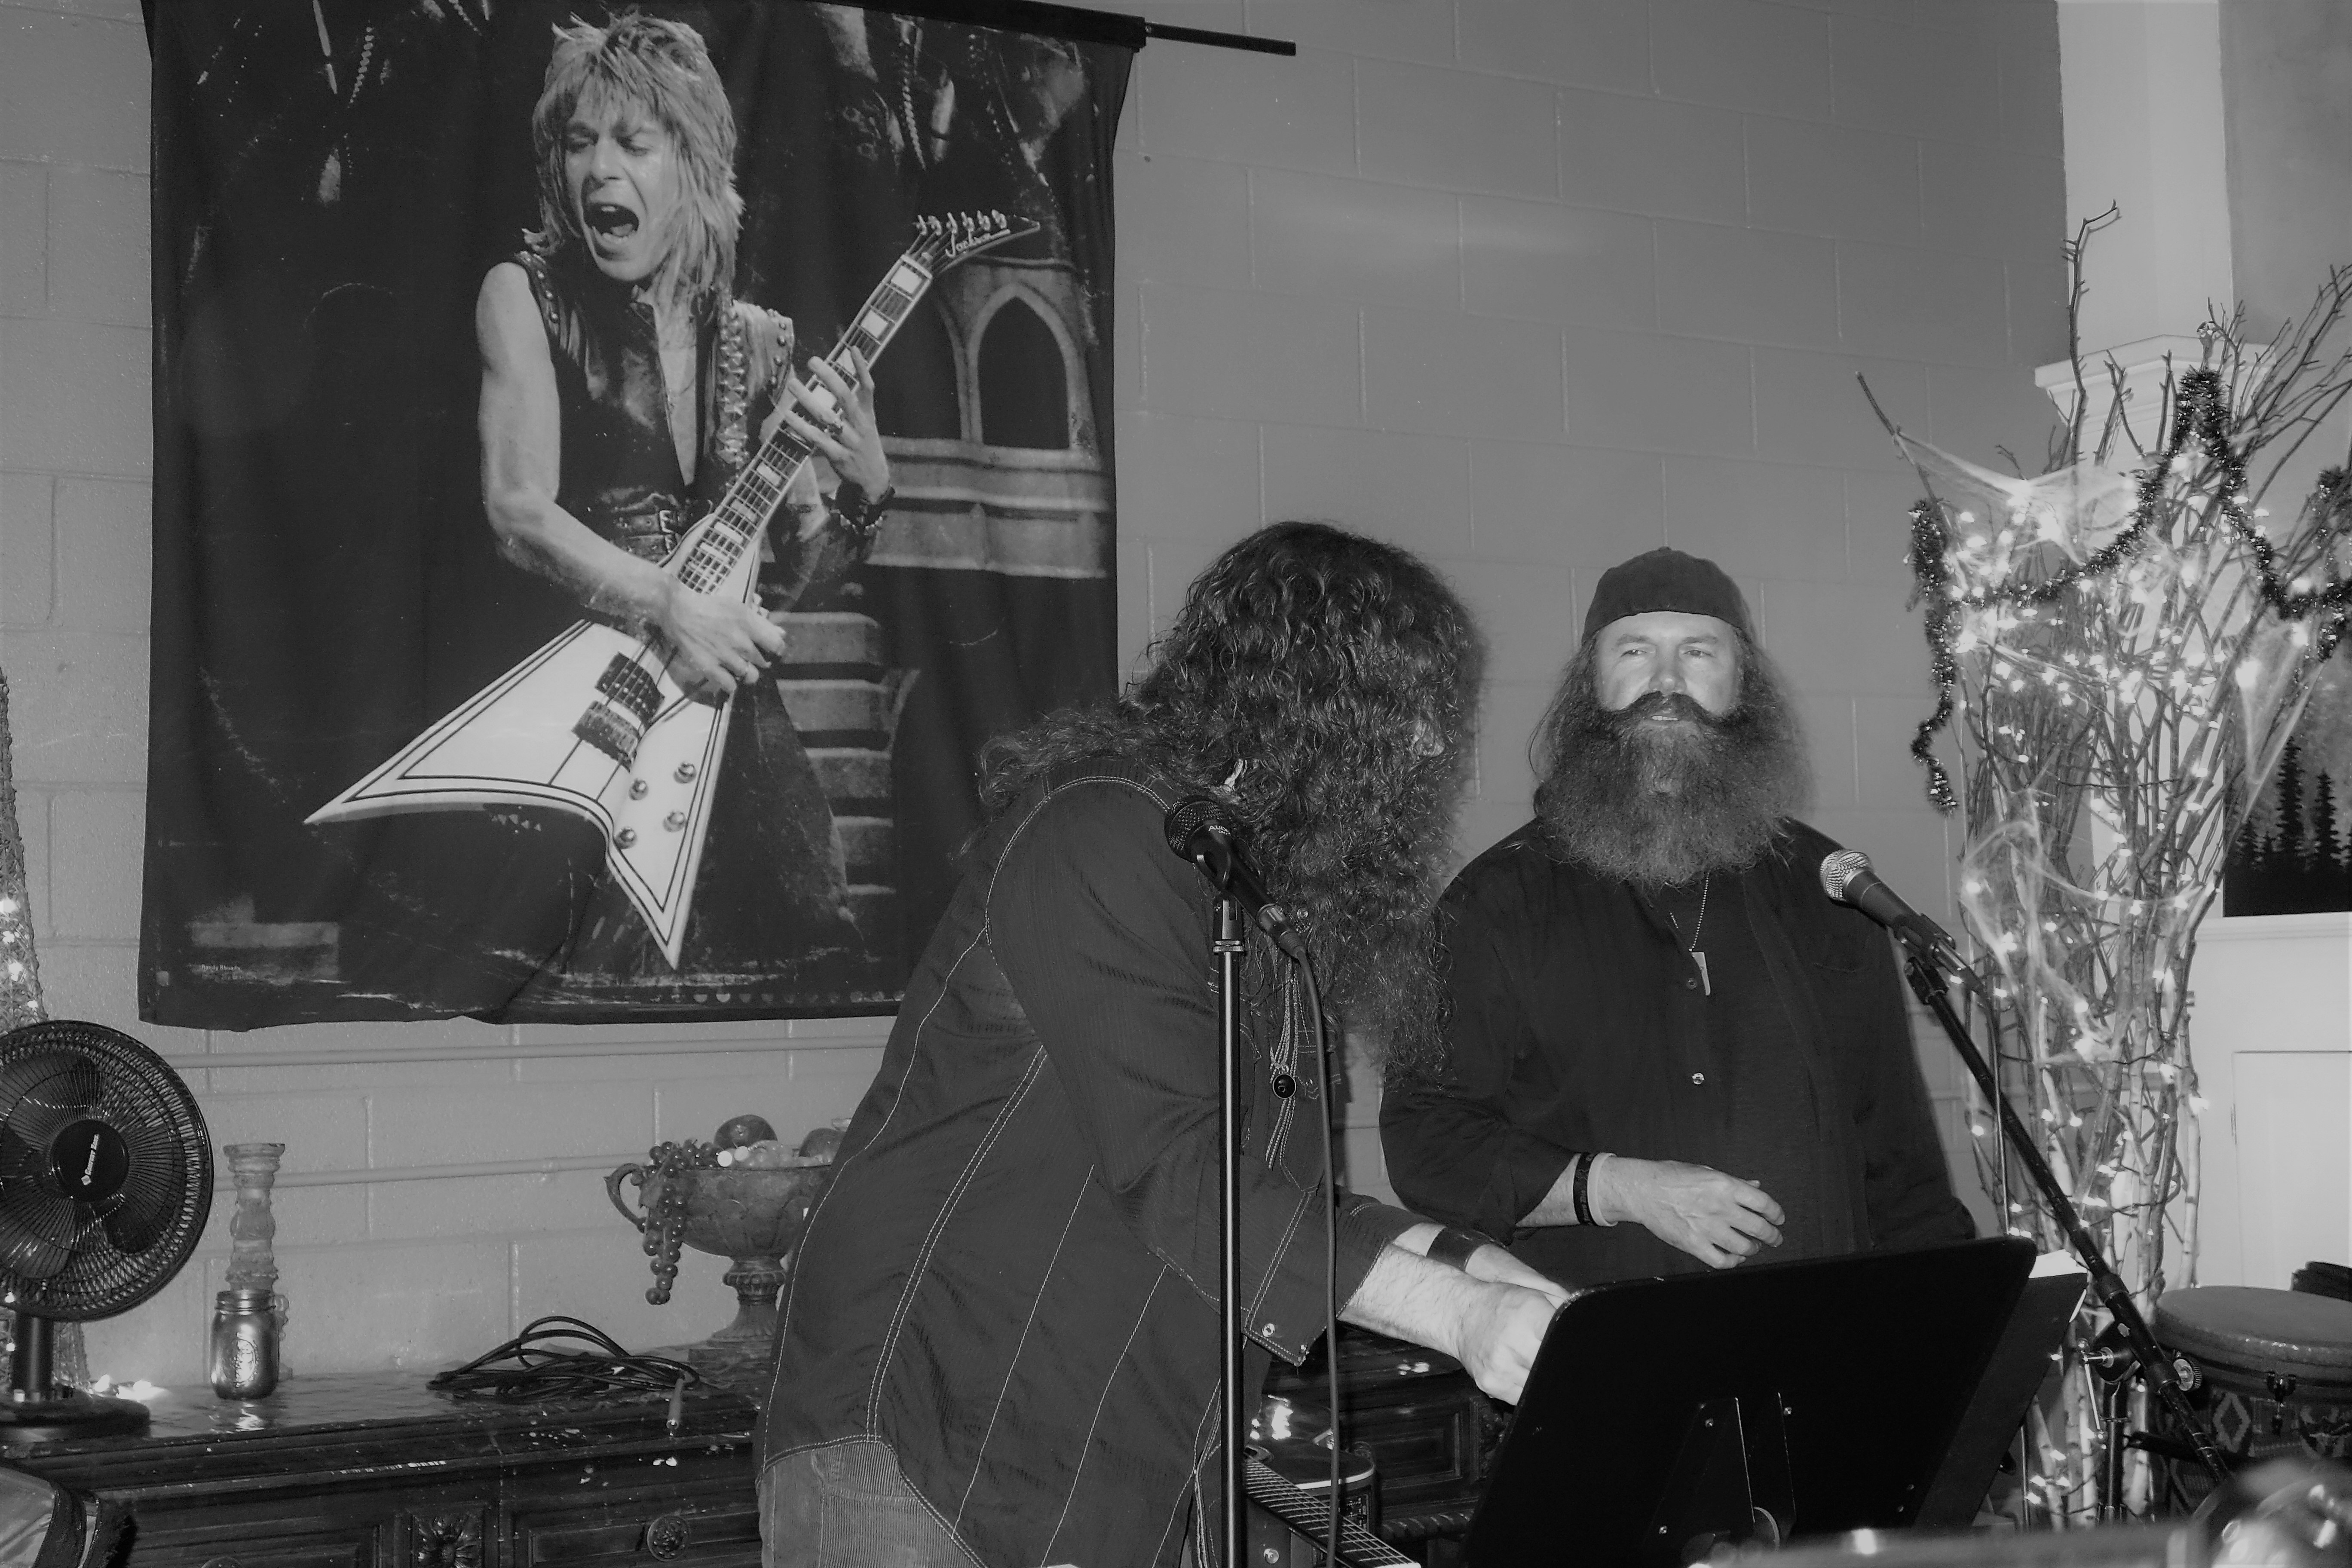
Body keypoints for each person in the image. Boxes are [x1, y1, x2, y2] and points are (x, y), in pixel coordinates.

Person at [760, 523, 1569, 1568]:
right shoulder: (1098, 833)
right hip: (926, 1441)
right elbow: (1181, 1171)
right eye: (1404, 711)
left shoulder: (1245, 899)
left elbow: (1266, 1193)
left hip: (1098, 1463)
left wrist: (1479, 1264)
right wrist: (1458, 1317)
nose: (1424, 747)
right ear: (1310, 699)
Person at [1382, 546, 1975, 1287]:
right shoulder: (1496, 903)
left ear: (1742, 684)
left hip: (1820, 1341)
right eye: (1635, 652)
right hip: (1606, 1341)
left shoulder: (1827, 888)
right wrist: (1618, 1188)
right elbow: (1427, 1142)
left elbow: (1901, 1169)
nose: (1667, 683)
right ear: (1591, 684)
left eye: (1698, 652)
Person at [475, 13, 891, 980]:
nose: (599, 170)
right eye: (580, 143)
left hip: (727, 728)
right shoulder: (524, 296)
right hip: (581, 707)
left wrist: (868, 492)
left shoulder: (757, 340)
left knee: (813, 955)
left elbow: (796, 578)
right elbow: (518, 512)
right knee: (593, 975)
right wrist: (667, 600)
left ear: (693, 165)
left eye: (633, 143)